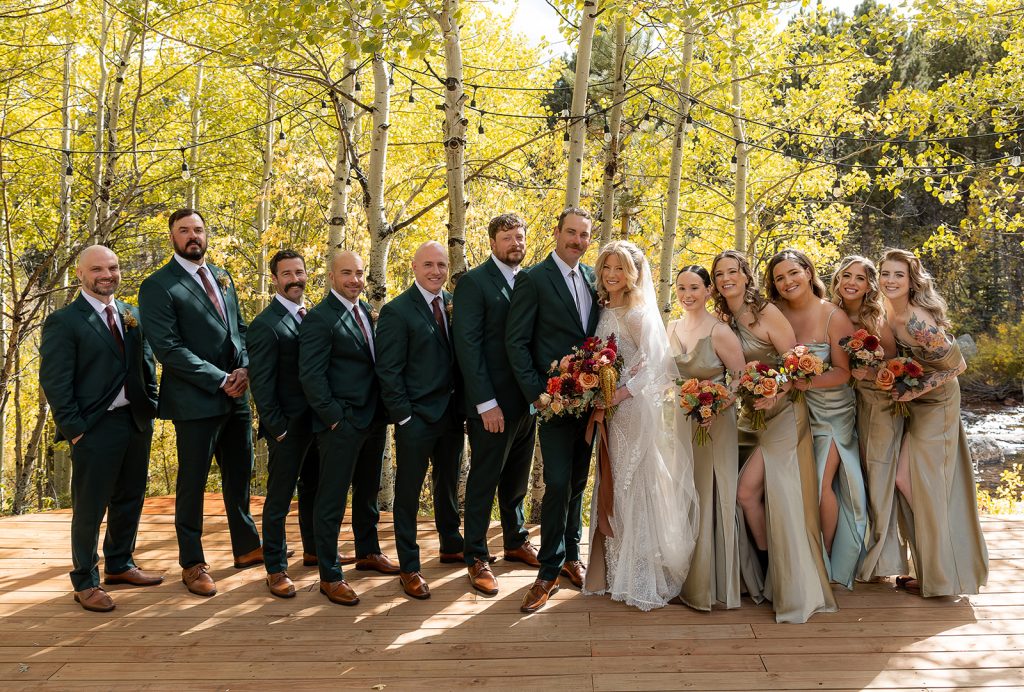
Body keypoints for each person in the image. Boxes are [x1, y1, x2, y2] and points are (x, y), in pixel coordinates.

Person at [139, 208, 261, 597]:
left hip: (237, 393)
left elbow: (240, 330)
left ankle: (247, 547)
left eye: (198, 229)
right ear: (172, 237)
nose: (193, 236)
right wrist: (219, 379)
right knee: (192, 482)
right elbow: (168, 348)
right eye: (184, 230)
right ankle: (192, 562)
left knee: (240, 473)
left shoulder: (222, 276)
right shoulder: (158, 285)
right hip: (195, 399)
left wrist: (245, 368)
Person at [711, 250, 836, 623]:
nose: (726, 279)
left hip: (783, 414)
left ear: (746, 276)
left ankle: (788, 583)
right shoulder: (723, 318)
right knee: (745, 495)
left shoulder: (766, 313)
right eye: (719, 274)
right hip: (750, 418)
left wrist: (776, 391)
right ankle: (768, 575)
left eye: (733, 271)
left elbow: (796, 363)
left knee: (753, 493)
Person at [40, 245, 162, 612]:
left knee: (130, 498)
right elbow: (55, 382)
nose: (107, 275)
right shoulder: (65, 321)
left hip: (135, 422)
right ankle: (85, 581)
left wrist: (150, 406)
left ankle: (120, 564)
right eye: (97, 269)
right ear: (80, 274)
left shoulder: (131, 314)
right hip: (93, 427)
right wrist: (75, 430)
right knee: (90, 509)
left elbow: (146, 365)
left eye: (113, 267)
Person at [581, 241, 698, 610]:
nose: (612, 275)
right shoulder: (605, 308)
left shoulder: (637, 314)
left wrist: (617, 394)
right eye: (607, 267)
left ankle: (639, 577)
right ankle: (612, 573)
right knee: (611, 481)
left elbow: (657, 367)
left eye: (620, 268)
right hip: (609, 410)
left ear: (633, 273)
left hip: (630, 411)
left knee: (630, 482)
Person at [506, 207, 600, 614]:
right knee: (558, 482)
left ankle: (571, 557)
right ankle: (547, 571)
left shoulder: (594, 278)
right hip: (555, 402)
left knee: (578, 482)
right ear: (557, 232)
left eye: (584, 235)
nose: (577, 241)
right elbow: (516, 343)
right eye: (571, 232)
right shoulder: (533, 279)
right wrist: (538, 395)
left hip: (591, 402)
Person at [879, 248, 988, 597]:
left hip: (938, 404)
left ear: (912, 281)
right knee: (907, 480)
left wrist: (914, 391)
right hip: (917, 403)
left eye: (899, 275)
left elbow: (957, 366)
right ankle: (934, 569)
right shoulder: (887, 310)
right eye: (885, 273)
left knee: (921, 484)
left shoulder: (917, 321)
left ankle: (944, 575)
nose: (890, 280)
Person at [299, 250, 397, 606]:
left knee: (367, 493)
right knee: (332, 500)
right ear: (331, 277)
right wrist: (335, 418)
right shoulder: (319, 319)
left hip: (373, 419)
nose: (354, 280)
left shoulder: (365, 312)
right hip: (341, 424)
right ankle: (330, 575)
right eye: (346, 273)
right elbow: (311, 376)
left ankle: (368, 551)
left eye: (358, 273)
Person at [767, 249, 868, 589]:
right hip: (791, 411)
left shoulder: (832, 315)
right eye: (779, 278)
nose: (787, 282)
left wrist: (805, 382)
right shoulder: (775, 313)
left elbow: (844, 372)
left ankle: (822, 559)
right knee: (796, 485)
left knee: (821, 484)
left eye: (793, 273)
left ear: (808, 272)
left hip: (832, 413)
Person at [454, 213, 540, 596]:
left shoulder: (529, 281)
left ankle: (515, 540)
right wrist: (485, 403)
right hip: (492, 405)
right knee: (484, 479)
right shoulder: (474, 283)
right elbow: (468, 347)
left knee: (517, 478)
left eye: (519, 237)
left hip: (527, 402)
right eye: (507, 238)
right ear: (492, 243)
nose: (515, 244)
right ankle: (475, 555)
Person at [375, 241, 465, 600]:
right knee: (408, 494)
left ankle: (451, 544)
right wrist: (404, 417)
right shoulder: (397, 311)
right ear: (414, 267)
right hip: (416, 419)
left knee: (448, 484)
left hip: (451, 415)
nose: (436, 271)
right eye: (428, 264)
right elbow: (388, 371)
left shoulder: (453, 305)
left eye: (441, 265)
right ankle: (409, 566)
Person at [248, 250, 329, 598]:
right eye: (287, 274)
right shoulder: (265, 325)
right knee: (279, 500)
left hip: (318, 425)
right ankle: (276, 567)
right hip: (287, 428)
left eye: (299, 272)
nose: (295, 279)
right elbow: (261, 384)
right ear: (275, 279)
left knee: (314, 491)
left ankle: (314, 551)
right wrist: (278, 428)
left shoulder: (314, 316)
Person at [667, 265, 745, 611]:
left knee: (711, 493)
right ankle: (682, 578)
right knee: (685, 493)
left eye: (695, 288)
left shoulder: (720, 331)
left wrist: (715, 405)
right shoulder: (671, 327)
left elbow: (739, 379)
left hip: (715, 424)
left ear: (709, 290)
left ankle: (708, 585)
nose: (687, 295)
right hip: (681, 422)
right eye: (682, 288)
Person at [830, 256, 907, 582]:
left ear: (868, 285)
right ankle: (856, 551)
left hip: (879, 404)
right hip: (846, 405)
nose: (851, 283)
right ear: (837, 279)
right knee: (855, 480)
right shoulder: (831, 313)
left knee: (879, 479)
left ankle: (884, 562)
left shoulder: (876, 317)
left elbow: (895, 364)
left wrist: (871, 372)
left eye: (859, 278)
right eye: (846, 276)